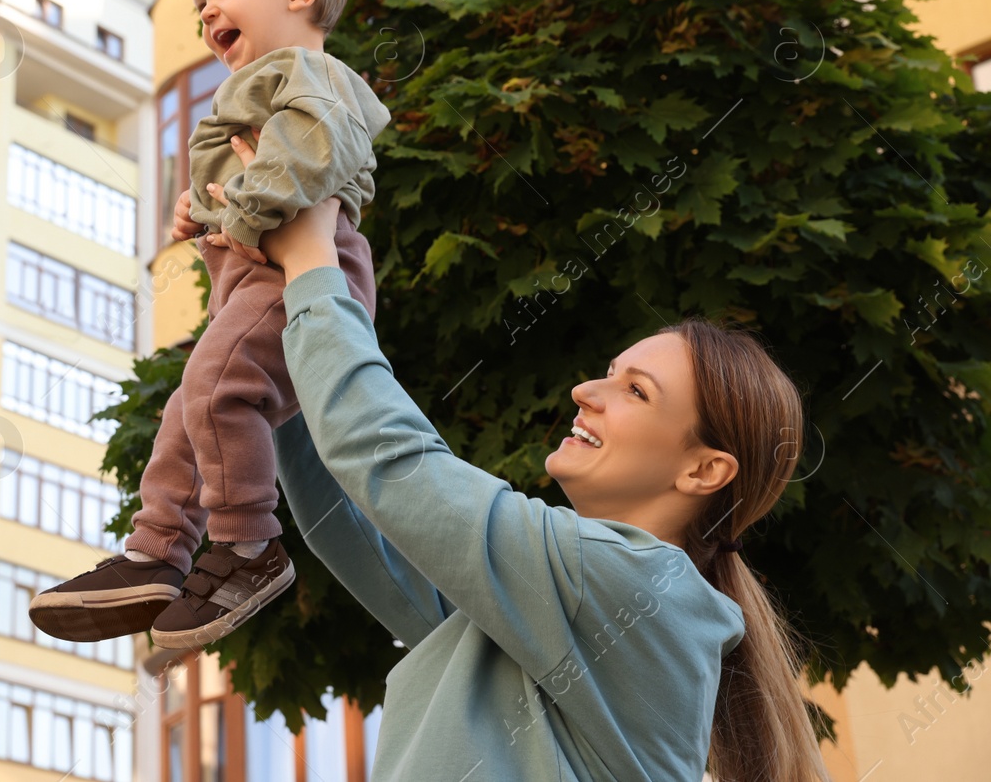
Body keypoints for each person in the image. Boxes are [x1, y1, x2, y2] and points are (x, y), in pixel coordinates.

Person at [258, 191, 832, 781]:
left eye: (636, 391)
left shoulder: (627, 583)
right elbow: (354, 524)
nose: (585, 391)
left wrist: (311, 262)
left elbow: (392, 464)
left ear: (704, 471)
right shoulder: (551, 614)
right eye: (610, 374)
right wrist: (268, 295)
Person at [28, 0, 392, 650]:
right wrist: (205, 219)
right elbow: (265, 177)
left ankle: (249, 546)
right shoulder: (264, 86)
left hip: (308, 273)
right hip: (259, 277)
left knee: (215, 389)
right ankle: (155, 552)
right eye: (198, 3)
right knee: (189, 415)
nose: (206, 12)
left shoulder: (312, 74)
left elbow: (310, 156)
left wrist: (244, 210)